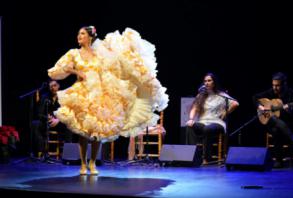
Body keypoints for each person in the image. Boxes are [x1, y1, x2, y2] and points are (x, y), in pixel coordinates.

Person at [48, 26, 168, 174]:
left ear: (90, 37)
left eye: (83, 33)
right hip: (82, 94)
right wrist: (76, 71)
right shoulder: (74, 53)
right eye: (78, 33)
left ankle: (92, 163)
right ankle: (83, 164)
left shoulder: (99, 54)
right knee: (83, 132)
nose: (79, 36)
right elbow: (57, 70)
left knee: (98, 131)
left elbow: (113, 67)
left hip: (99, 93)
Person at [185, 72, 239, 165]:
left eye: (209, 81)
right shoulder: (201, 95)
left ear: (214, 83)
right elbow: (194, 108)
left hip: (217, 123)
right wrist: (191, 119)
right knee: (190, 126)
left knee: (208, 129)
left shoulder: (221, 95)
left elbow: (235, 103)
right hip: (203, 122)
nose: (206, 83)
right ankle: (192, 157)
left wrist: (226, 112)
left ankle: (206, 159)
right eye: (205, 81)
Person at [253, 72, 293, 168]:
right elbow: (254, 98)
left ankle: (278, 161)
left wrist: (289, 111)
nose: (275, 88)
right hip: (269, 122)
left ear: (284, 84)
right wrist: (260, 106)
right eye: (273, 85)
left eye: (277, 86)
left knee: (276, 130)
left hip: (288, 123)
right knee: (273, 118)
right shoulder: (270, 92)